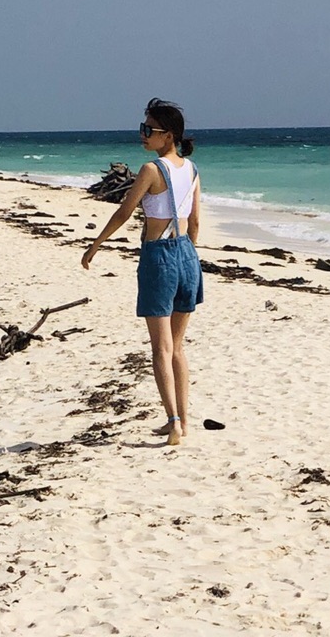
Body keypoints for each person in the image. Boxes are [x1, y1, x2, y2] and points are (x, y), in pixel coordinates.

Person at [81, 98, 203, 446]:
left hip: (159, 258)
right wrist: (188, 255)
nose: (143, 135)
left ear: (168, 136)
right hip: (187, 258)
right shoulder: (192, 170)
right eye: (143, 128)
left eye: (149, 130)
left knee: (161, 349)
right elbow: (194, 222)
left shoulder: (152, 170)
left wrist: (95, 244)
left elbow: (123, 212)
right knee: (178, 348)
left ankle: (174, 422)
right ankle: (184, 419)